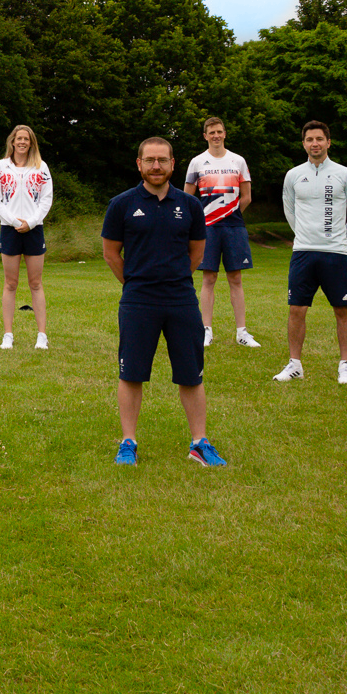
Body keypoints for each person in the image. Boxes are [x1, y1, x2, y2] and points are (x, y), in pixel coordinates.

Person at [100, 137, 227, 466]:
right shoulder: (122, 204)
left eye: (163, 160)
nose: (156, 166)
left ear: (173, 164)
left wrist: (174, 278)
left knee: (191, 373)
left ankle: (199, 443)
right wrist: (135, 282)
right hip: (138, 300)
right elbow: (111, 253)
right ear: (139, 164)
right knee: (131, 374)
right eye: (150, 160)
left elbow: (197, 252)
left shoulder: (190, 205)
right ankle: (128, 442)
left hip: (181, 298)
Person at [273, 120, 347, 386]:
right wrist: (304, 235)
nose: (315, 144)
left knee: (342, 309)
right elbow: (289, 210)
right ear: (303, 143)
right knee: (296, 309)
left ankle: (345, 366)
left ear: (328, 142)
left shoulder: (344, 174)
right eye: (310, 139)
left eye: (319, 139)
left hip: (335, 253)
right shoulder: (293, 175)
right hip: (303, 252)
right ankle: (295, 365)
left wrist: (340, 239)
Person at [185, 116, 260, 349]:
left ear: (225, 133)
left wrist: (230, 213)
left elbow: (246, 196)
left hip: (234, 227)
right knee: (209, 278)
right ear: (205, 136)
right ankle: (206, 330)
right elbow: (187, 198)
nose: (216, 135)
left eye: (219, 131)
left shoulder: (238, 161)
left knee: (235, 278)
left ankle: (242, 332)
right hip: (207, 229)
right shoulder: (197, 162)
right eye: (211, 132)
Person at [0, 124, 53, 350]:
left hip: (34, 229)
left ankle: (42, 336)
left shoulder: (41, 167)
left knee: (35, 283)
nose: (22, 142)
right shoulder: (0, 166)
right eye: (19, 138)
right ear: (12, 141)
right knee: (10, 283)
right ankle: (8, 335)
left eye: (26, 139)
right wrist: (15, 222)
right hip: (9, 229)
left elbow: (46, 198)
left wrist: (32, 222)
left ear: (31, 142)